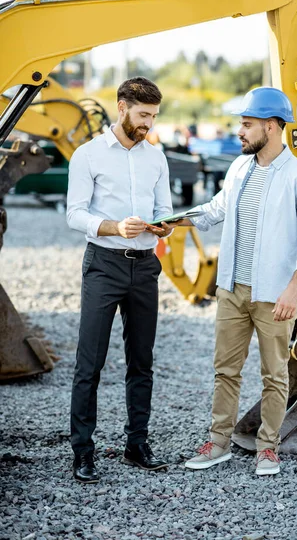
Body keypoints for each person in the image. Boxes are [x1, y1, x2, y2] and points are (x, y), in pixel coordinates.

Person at [169, 87, 297, 476]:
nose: (239, 131)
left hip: (275, 294)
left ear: (271, 127)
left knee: (274, 374)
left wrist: (293, 289)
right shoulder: (239, 168)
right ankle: (218, 442)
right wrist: (170, 222)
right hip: (231, 291)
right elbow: (216, 209)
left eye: (247, 124)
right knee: (225, 370)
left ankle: (267, 447)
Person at [67, 77, 174, 483]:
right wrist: (114, 226)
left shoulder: (156, 157)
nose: (148, 123)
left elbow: (163, 206)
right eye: (143, 115)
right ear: (122, 108)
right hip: (103, 265)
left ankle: (137, 444)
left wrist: (163, 226)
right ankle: (83, 452)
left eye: (154, 116)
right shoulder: (87, 155)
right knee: (89, 362)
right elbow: (74, 214)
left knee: (141, 361)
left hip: (145, 267)